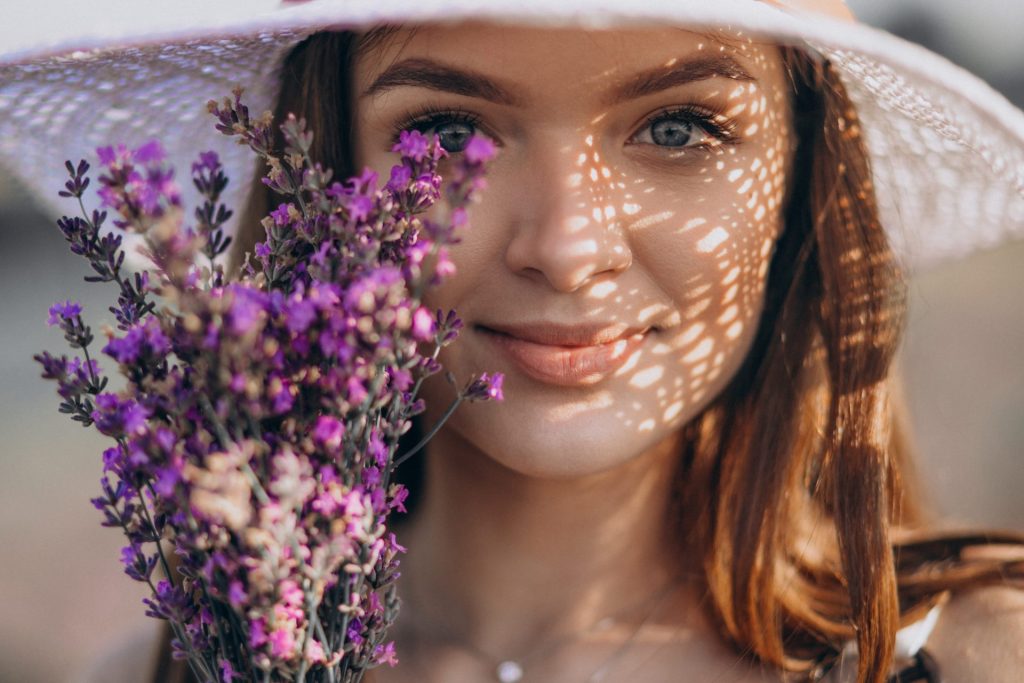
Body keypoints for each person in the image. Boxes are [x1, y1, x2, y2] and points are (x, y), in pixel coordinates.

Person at [2, 2, 1022, 682]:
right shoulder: (178, 669)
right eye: (449, 133)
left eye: (677, 128)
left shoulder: (974, 653)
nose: (567, 250)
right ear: (326, 177)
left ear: (801, 177)